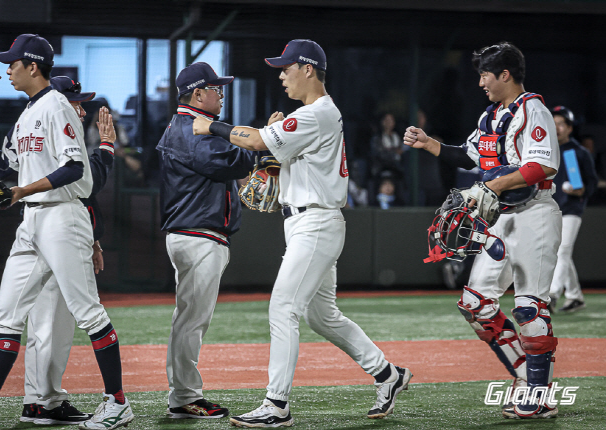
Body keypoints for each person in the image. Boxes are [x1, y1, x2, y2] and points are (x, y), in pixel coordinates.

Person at [193, 39, 412, 428]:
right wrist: (274, 137)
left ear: (307, 69)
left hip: (316, 222)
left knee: (283, 308)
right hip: (305, 222)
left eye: (286, 67)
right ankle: (387, 374)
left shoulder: (317, 113)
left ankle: (277, 404)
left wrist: (212, 126)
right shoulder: (311, 115)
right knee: (322, 315)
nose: (281, 75)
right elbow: (272, 151)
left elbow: (259, 141)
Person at [0, 34, 134, 430]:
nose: (7, 69)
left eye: (12, 63)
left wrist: (24, 189)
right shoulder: (28, 112)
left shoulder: (57, 106)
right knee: (7, 312)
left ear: (33, 66)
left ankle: (117, 402)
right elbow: (11, 168)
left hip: (61, 216)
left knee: (88, 312)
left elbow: (74, 169)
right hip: (33, 220)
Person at [403, 42, 561, 419]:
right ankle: (526, 376)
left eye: (485, 74)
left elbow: (543, 167)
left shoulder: (533, 110)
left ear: (505, 74)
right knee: (475, 304)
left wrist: (494, 186)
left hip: (535, 212)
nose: (480, 82)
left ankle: (541, 397)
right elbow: (469, 155)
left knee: (529, 309)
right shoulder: (492, 116)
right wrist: (429, 144)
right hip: (503, 217)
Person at [157, 62, 255, 419]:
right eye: (216, 88)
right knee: (191, 320)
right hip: (196, 233)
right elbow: (232, 160)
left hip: (195, 231)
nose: (222, 93)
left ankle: (183, 393)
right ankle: (183, 396)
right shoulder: (190, 128)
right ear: (198, 94)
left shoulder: (187, 125)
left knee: (189, 318)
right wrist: (265, 141)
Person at [18, 76, 118, 425]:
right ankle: (42, 401)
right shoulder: (50, 127)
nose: (81, 108)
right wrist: (106, 148)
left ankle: (39, 400)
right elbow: (86, 182)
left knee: (47, 322)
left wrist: (93, 239)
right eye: (75, 101)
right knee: (55, 321)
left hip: (45, 226)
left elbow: (83, 194)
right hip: (52, 228)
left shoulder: (37, 124)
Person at [548, 106, 598, 313]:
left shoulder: (575, 152)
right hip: (549, 210)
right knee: (561, 253)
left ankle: (551, 294)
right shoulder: (546, 151)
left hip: (570, 209)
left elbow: (590, 184)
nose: (557, 128)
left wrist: (581, 191)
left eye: (561, 123)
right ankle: (575, 296)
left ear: (569, 128)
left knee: (562, 250)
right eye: (554, 123)